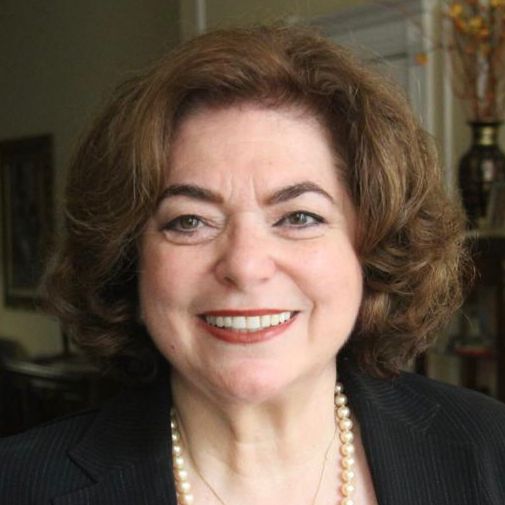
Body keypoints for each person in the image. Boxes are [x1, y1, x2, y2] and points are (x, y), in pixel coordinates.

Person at [1, 24, 504, 505]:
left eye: (299, 216)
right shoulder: (18, 485)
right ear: (129, 259)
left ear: (371, 251)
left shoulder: (489, 451)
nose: (244, 265)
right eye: (190, 222)